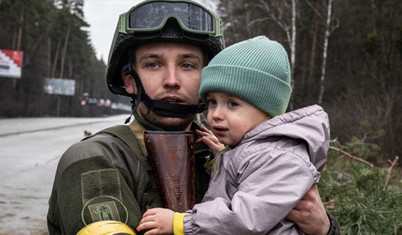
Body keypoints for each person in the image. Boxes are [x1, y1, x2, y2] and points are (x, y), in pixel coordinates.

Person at [46, 1, 339, 234]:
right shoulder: (96, 159)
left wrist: (323, 229)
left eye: (187, 65)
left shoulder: (242, 151)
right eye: (153, 64)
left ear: (208, 78)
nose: (172, 80)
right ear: (129, 80)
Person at [135, 35, 330, 234]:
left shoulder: (280, 158)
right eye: (212, 102)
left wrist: (181, 223)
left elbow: (245, 218)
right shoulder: (254, 151)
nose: (216, 114)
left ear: (267, 111)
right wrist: (224, 158)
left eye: (232, 104)